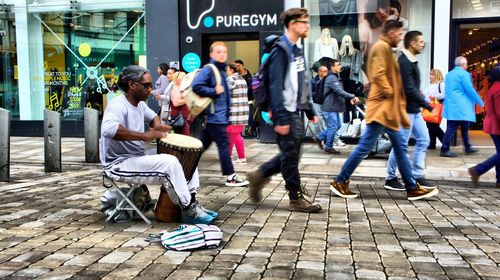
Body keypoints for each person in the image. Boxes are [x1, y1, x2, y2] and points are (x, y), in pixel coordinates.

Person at [329, 20, 438, 201]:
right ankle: (340, 181)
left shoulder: (386, 48)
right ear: (392, 32)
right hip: (382, 109)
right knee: (365, 148)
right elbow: (379, 76)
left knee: (400, 148)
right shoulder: (381, 48)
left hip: (387, 110)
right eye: (400, 34)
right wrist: (393, 95)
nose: (401, 37)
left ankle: (411, 187)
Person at [100, 65, 217, 224]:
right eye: (146, 86)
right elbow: (108, 130)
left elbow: (153, 116)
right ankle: (187, 207)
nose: (150, 90)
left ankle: (192, 201)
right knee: (170, 162)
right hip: (118, 164)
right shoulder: (118, 105)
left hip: (136, 158)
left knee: (189, 155)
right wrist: (144, 135)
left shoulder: (139, 104)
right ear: (132, 85)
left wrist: (157, 125)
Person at [246, 7, 323, 213]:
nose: (308, 25)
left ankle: (260, 175)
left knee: (291, 155)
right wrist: (280, 118)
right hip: (285, 113)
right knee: (290, 156)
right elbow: (275, 85)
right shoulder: (281, 50)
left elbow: (300, 84)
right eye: (304, 21)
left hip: (294, 111)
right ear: (292, 24)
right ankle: (295, 197)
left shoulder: (296, 49)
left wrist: (309, 111)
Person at [191, 41, 249, 187]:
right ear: (212, 54)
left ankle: (185, 168)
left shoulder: (221, 70)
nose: (222, 54)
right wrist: (213, 91)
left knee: (201, 147)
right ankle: (231, 177)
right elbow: (196, 86)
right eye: (218, 52)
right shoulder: (210, 69)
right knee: (224, 145)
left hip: (219, 117)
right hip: (215, 116)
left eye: (224, 52)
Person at [384, 31, 436, 191]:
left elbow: (412, 88)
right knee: (401, 145)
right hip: (405, 111)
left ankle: (418, 174)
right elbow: (409, 89)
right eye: (420, 41)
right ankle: (391, 178)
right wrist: (428, 105)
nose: (423, 44)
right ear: (412, 43)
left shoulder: (411, 61)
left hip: (414, 110)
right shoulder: (404, 62)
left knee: (423, 140)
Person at [440, 56, 484, 157]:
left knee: (463, 126)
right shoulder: (464, 74)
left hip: (452, 105)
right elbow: (470, 89)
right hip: (461, 106)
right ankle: (444, 149)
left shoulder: (449, 74)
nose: (467, 66)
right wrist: (480, 102)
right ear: (463, 64)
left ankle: (467, 147)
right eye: (466, 64)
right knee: (452, 127)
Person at [314, 59, 358, 154]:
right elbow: (339, 91)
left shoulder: (334, 76)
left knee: (337, 125)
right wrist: (352, 96)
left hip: (332, 107)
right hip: (329, 107)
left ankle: (319, 137)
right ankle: (328, 147)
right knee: (333, 127)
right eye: (337, 65)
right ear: (332, 67)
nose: (340, 66)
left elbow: (338, 92)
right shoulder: (331, 78)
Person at [468, 66, 500, 188]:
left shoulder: (493, 87)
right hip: (497, 126)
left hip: (493, 125)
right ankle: (477, 170)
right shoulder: (499, 89)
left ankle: (499, 180)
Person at [226, 63, 249, 164]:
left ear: (231, 70)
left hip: (234, 112)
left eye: (227, 70)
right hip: (242, 111)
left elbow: (226, 95)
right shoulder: (242, 79)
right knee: (231, 134)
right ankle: (228, 155)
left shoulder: (231, 79)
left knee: (235, 134)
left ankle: (242, 157)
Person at [423, 69, 446, 149]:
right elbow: (426, 96)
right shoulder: (430, 85)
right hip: (429, 106)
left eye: (432, 75)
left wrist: (435, 96)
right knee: (430, 126)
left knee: (435, 126)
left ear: (436, 75)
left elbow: (445, 94)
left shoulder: (441, 84)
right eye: (430, 74)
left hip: (436, 107)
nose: (430, 76)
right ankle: (432, 144)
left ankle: (445, 143)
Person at [234, 59, 256, 137]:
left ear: (242, 65)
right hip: (240, 100)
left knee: (250, 117)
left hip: (249, 99)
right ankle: (239, 134)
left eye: (237, 65)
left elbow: (251, 86)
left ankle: (255, 132)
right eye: (235, 66)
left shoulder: (248, 74)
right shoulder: (236, 75)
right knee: (240, 118)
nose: (236, 67)